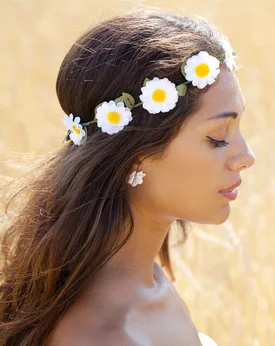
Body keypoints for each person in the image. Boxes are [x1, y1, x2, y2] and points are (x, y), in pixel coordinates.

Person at [0, 9, 255, 345]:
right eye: (217, 137)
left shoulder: (145, 279)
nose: (246, 158)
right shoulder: (106, 336)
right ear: (136, 153)